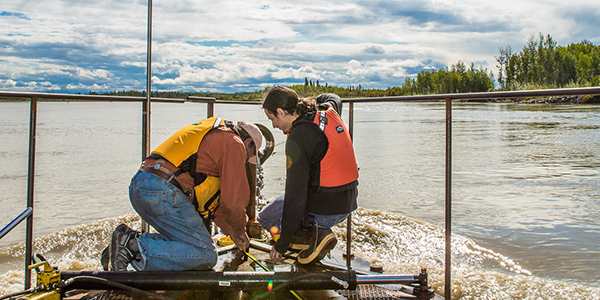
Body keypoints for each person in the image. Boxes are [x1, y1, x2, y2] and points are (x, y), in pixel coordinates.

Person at [106, 117, 263, 271]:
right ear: (248, 144)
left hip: (141, 186)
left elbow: (219, 208)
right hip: (163, 190)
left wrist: (233, 233)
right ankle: (132, 247)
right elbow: (233, 202)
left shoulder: (214, 136)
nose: (245, 160)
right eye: (249, 156)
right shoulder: (235, 143)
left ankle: (125, 243)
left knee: (184, 244)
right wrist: (241, 230)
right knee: (206, 255)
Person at [259, 86, 359, 264]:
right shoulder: (327, 110)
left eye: (272, 118)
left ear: (281, 112)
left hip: (325, 210)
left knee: (266, 216)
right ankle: (310, 239)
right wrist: (313, 101)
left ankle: (315, 236)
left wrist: (281, 245)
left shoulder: (298, 137)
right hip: (348, 202)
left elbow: (295, 197)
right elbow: (333, 96)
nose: (273, 125)